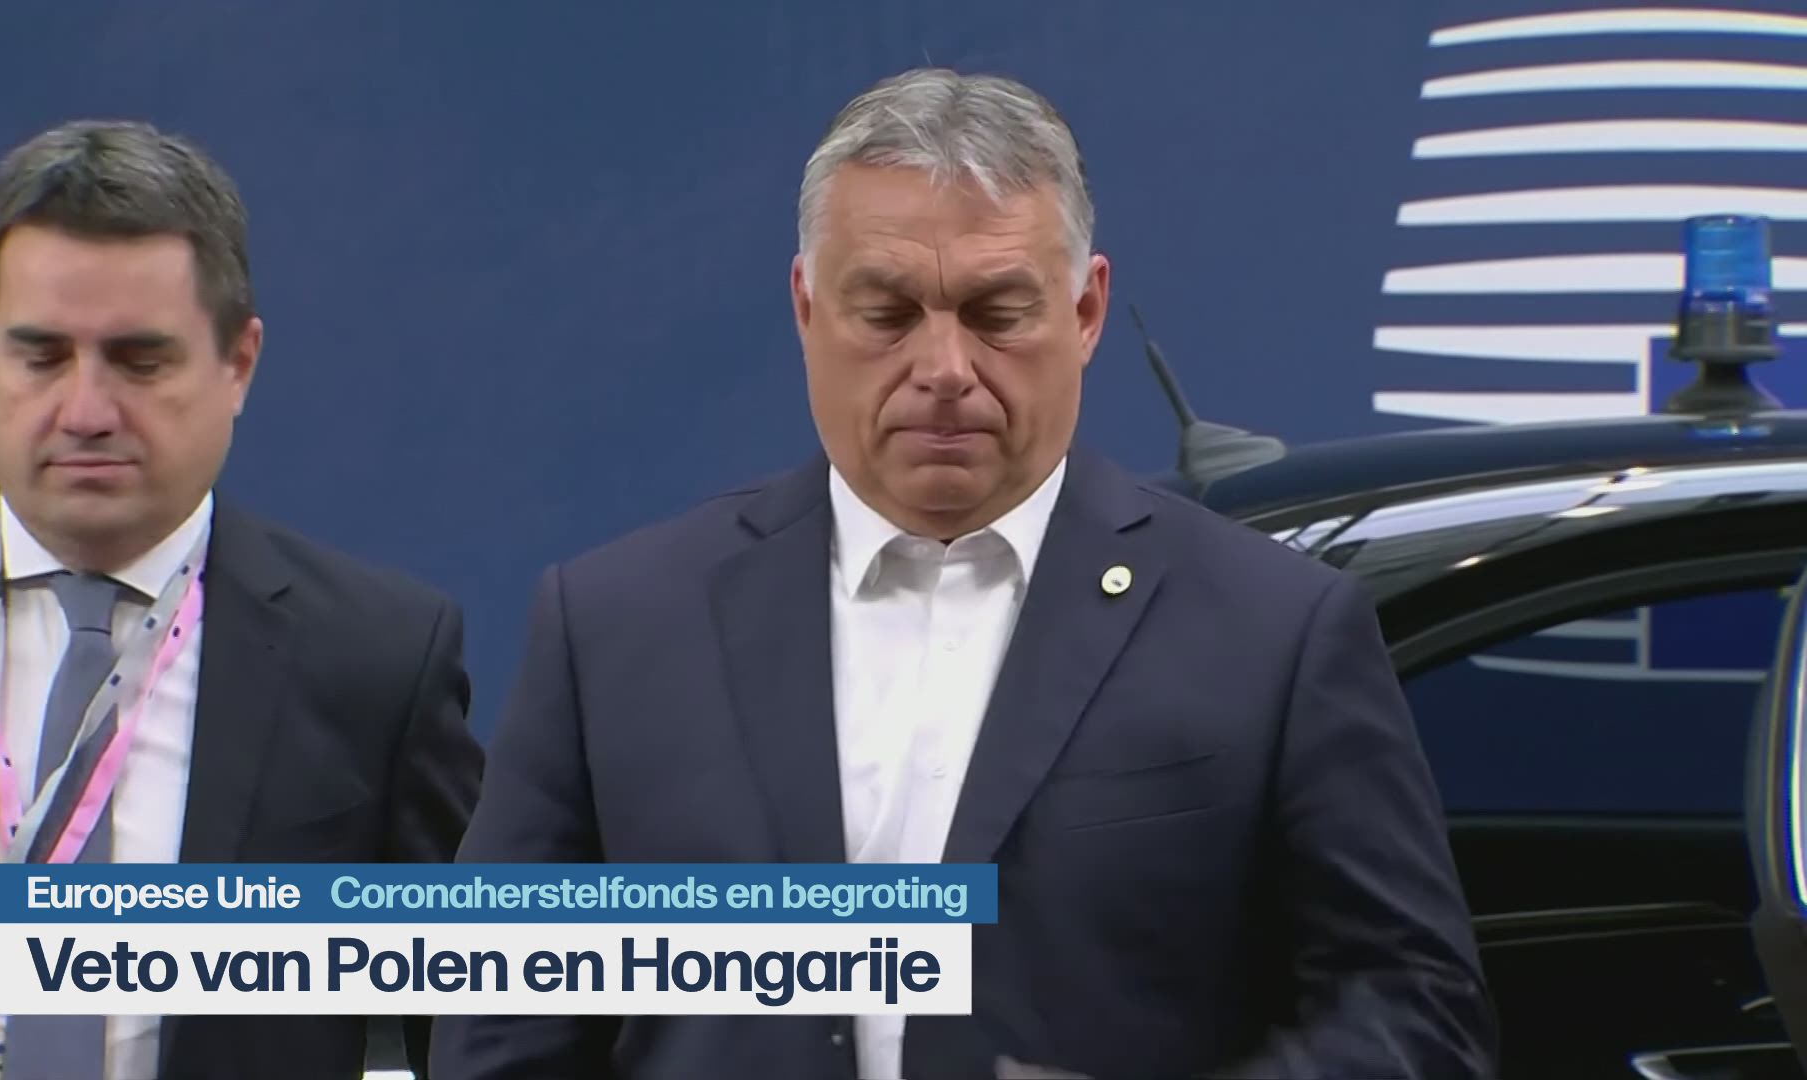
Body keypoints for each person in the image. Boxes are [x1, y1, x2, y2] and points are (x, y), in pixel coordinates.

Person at [431, 68, 1495, 1078]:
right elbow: (501, 1021)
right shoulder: (618, 629)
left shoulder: (1275, 634)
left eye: (997, 314)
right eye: (887, 314)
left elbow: (1415, 1011)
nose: (943, 370)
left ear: (1085, 312)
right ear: (806, 308)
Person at [0, 120, 485, 1080]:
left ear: (239, 363)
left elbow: (477, 1020)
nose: (86, 412)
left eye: (139, 361)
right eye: (41, 356)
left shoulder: (374, 662)